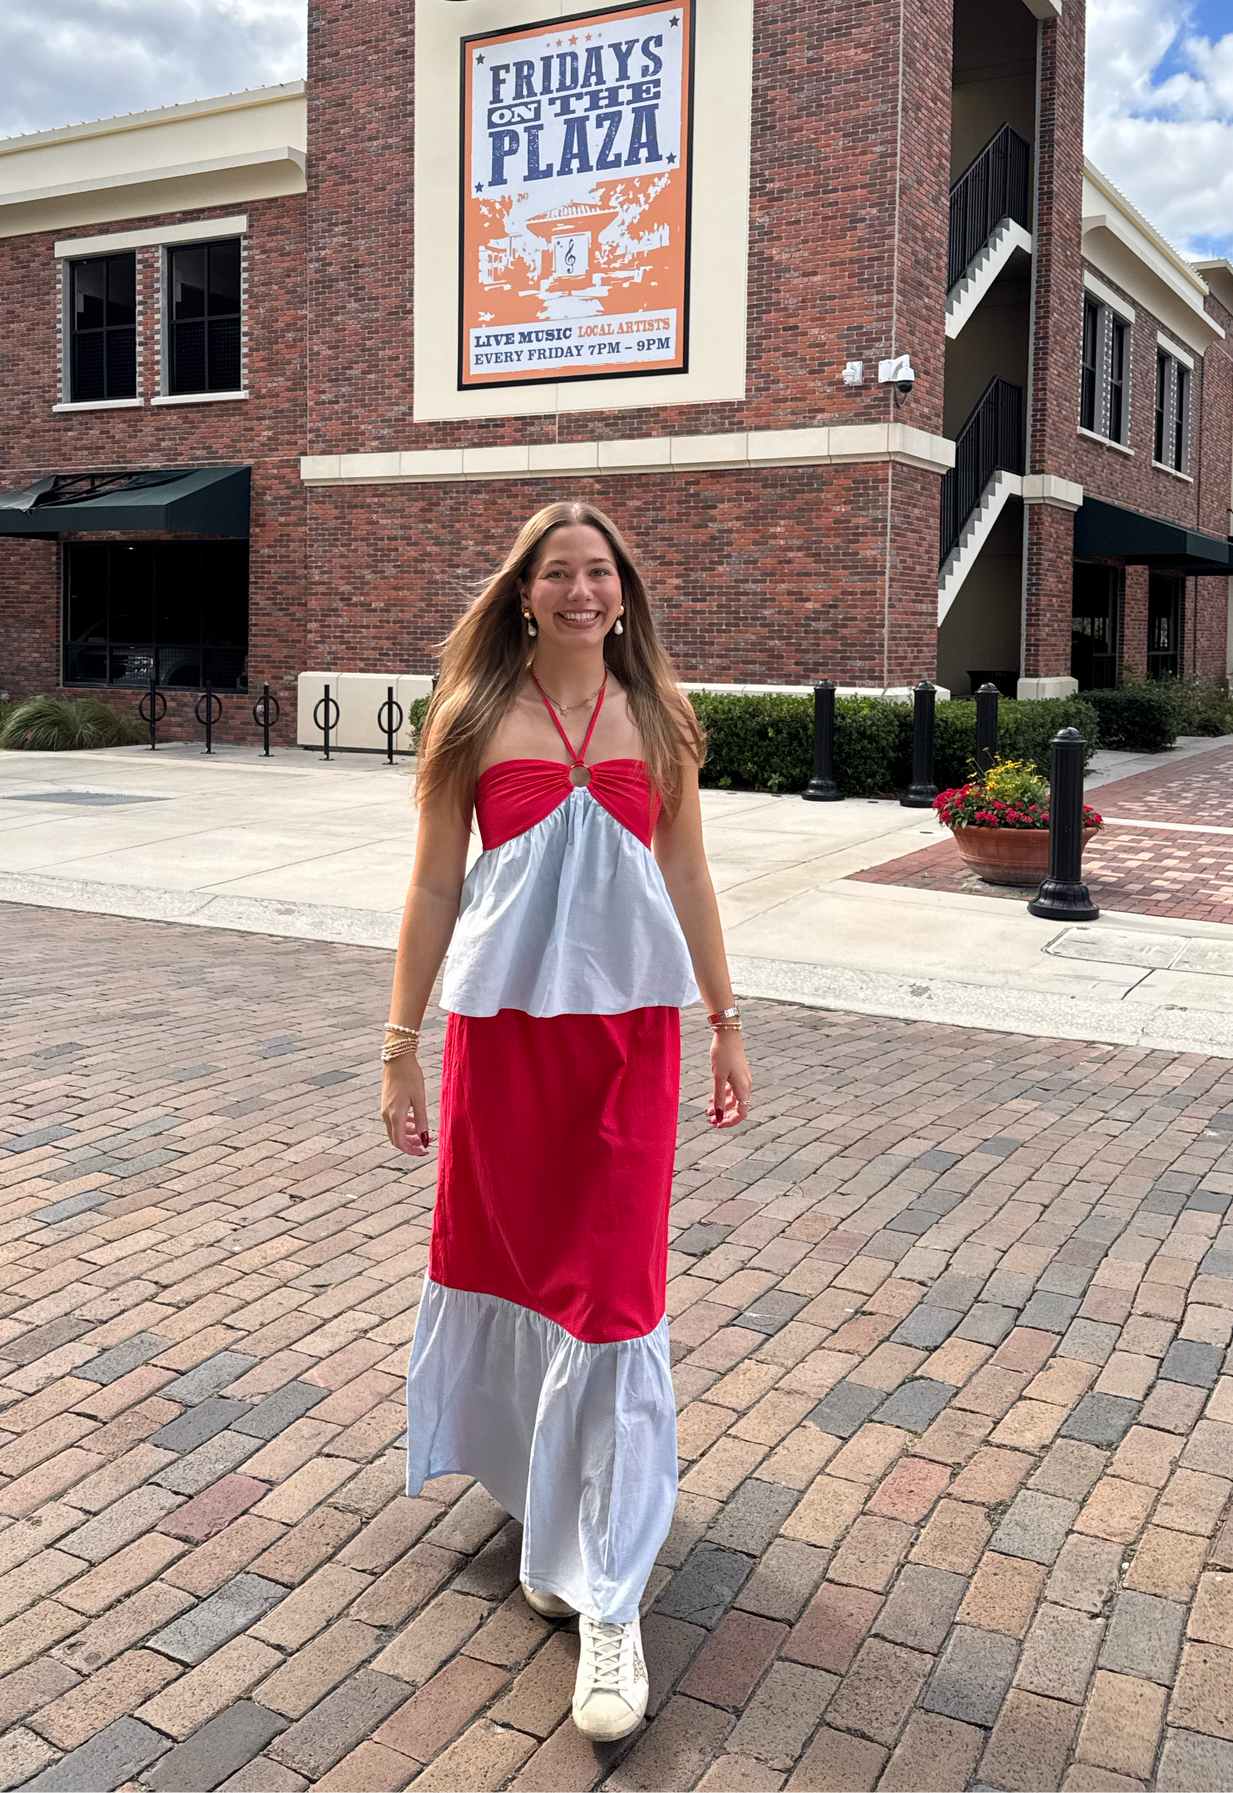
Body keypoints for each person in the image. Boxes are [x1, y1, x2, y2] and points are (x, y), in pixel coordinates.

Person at [381, 500, 751, 1742]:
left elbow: (688, 874)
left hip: (627, 1045)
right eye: (560, 574)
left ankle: (608, 1590)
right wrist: (399, 1044)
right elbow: (434, 882)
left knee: (611, 1294)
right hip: (505, 1042)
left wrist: (724, 1019)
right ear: (523, 593)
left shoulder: (660, 718)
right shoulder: (472, 718)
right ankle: (556, 1517)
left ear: (624, 591)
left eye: (602, 572)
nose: (584, 590)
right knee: (521, 1272)